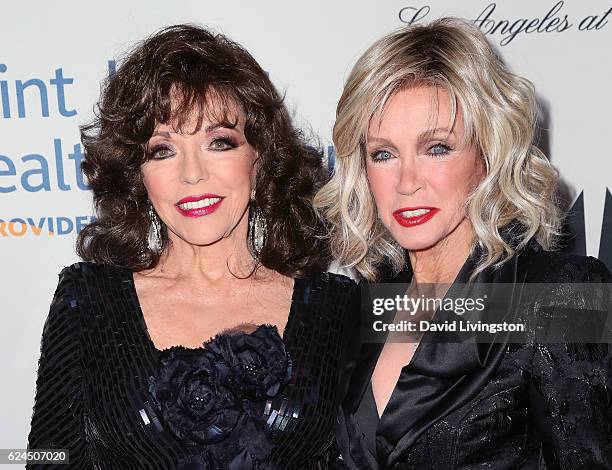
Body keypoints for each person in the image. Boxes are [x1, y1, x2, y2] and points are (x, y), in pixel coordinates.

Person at [27, 24, 356, 469]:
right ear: (137, 175)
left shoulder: (336, 308)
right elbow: (49, 459)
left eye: (219, 142)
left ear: (260, 161)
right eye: (163, 150)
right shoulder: (88, 300)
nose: (192, 174)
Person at [315, 17, 612, 469]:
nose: (406, 182)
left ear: (488, 155)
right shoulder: (370, 305)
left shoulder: (559, 297)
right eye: (383, 154)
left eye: (437, 148)